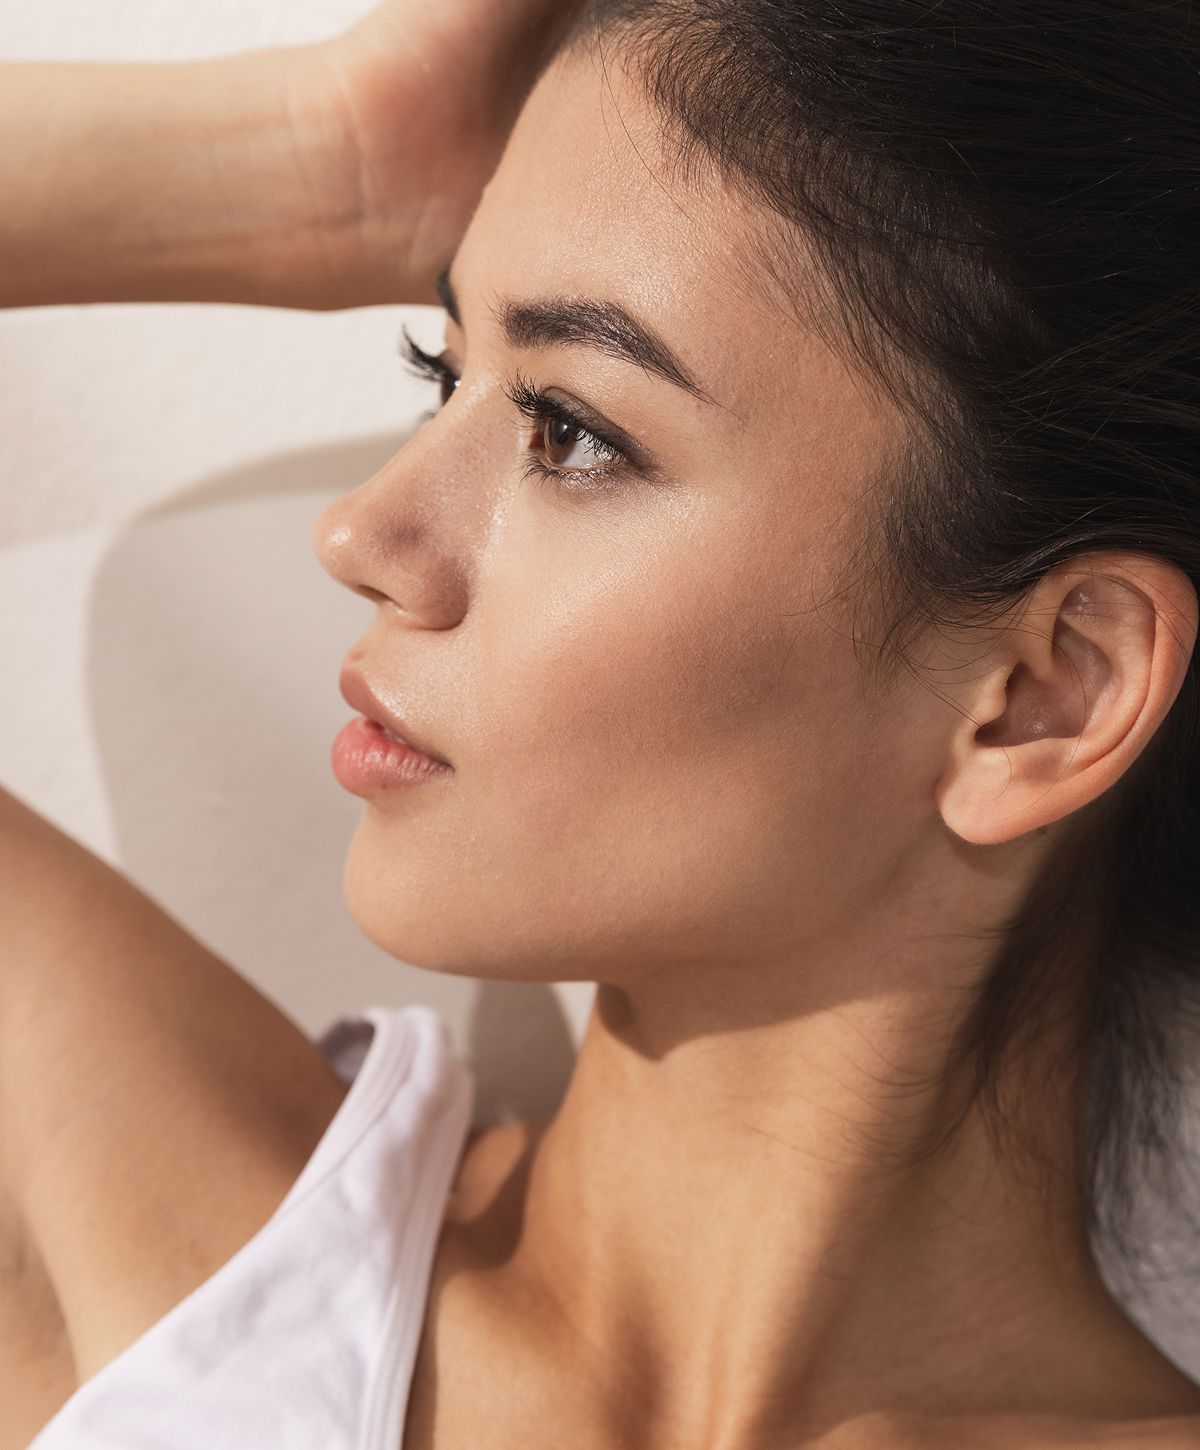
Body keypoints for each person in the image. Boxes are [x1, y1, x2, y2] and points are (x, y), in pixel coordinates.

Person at [3, 1, 1200, 1447]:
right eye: (440, 376)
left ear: (1047, 694)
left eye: (570, 431)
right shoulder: (190, 1266)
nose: (362, 531)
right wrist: (316, 163)